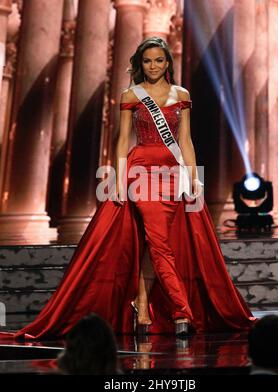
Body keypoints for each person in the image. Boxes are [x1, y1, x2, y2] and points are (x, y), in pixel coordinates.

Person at [0, 36, 255, 340]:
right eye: (147, 61)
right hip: (142, 171)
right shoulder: (131, 94)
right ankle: (181, 310)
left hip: (172, 172)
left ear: (167, 62)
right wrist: (120, 180)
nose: (153, 66)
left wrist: (193, 177)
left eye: (159, 60)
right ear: (140, 64)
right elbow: (122, 141)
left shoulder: (181, 94)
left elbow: (185, 140)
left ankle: (143, 303)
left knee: (155, 242)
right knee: (160, 242)